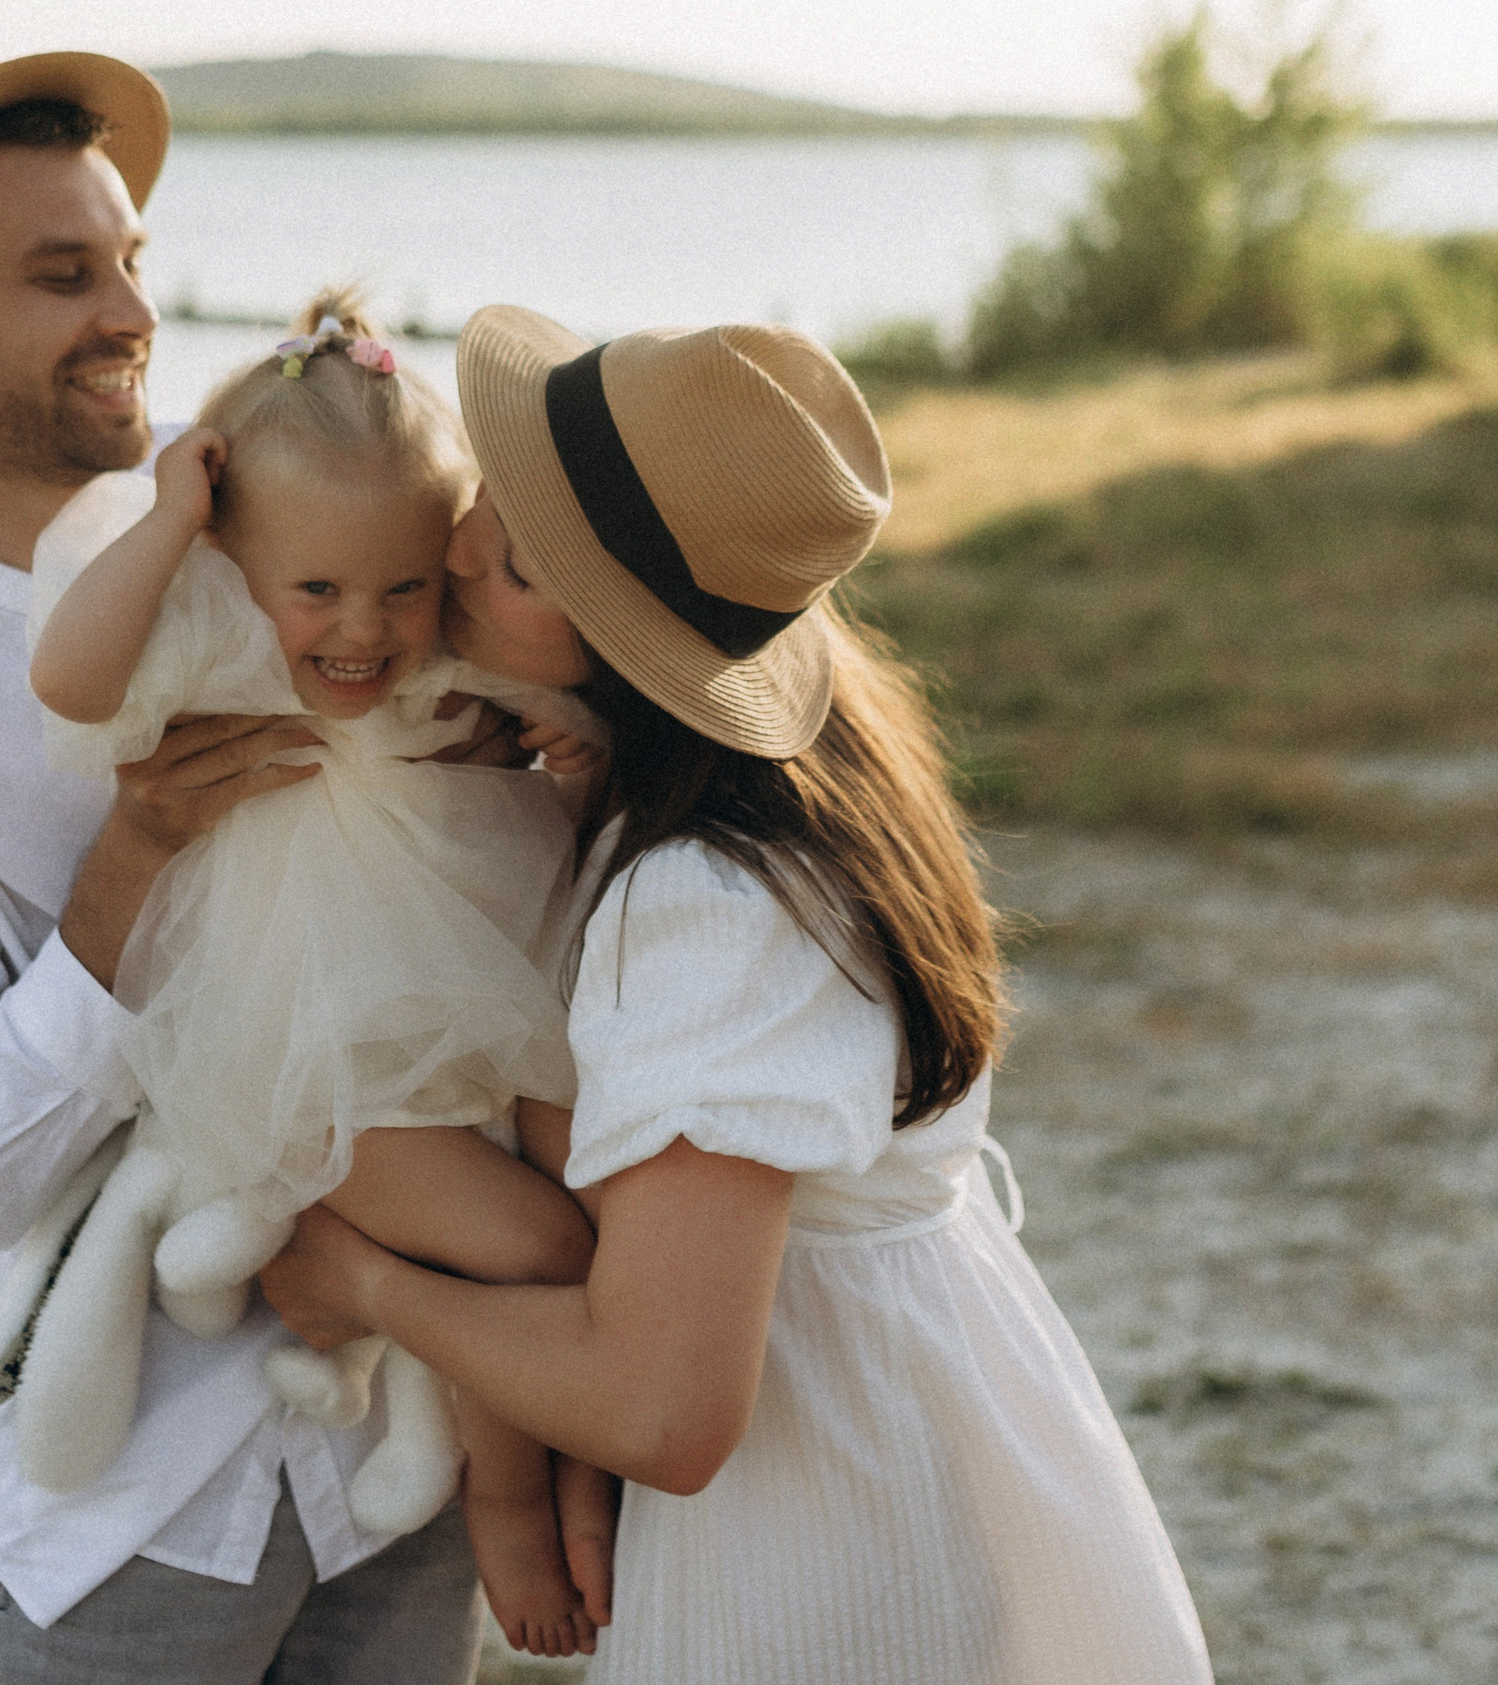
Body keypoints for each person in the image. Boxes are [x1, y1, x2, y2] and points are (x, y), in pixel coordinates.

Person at [260, 308, 1220, 1683]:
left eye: (518, 563)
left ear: (625, 650)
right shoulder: (792, 772)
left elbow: (663, 1408)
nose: (458, 549)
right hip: (931, 1397)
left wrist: (362, 1277)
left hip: (823, 1506)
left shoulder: (709, 906)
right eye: (494, 496)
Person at [0, 44, 499, 1684]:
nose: (132, 313)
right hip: (132, 1502)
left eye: (130, 260)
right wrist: (134, 858)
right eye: (62, 274)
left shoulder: (295, 504)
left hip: (396, 1457)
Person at [0, 284, 613, 1656]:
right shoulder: (216, 632)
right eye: (317, 589)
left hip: (469, 1029)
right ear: (235, 558)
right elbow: (72, 682)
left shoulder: (434, 663)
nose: (360, 632)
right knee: (545, 1248)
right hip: (297, 1065)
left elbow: (560, 715)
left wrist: (575, 753)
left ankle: (539, 1465)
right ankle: (508, 1503)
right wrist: (172, 517)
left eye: (402, 588)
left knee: (582, 1218)